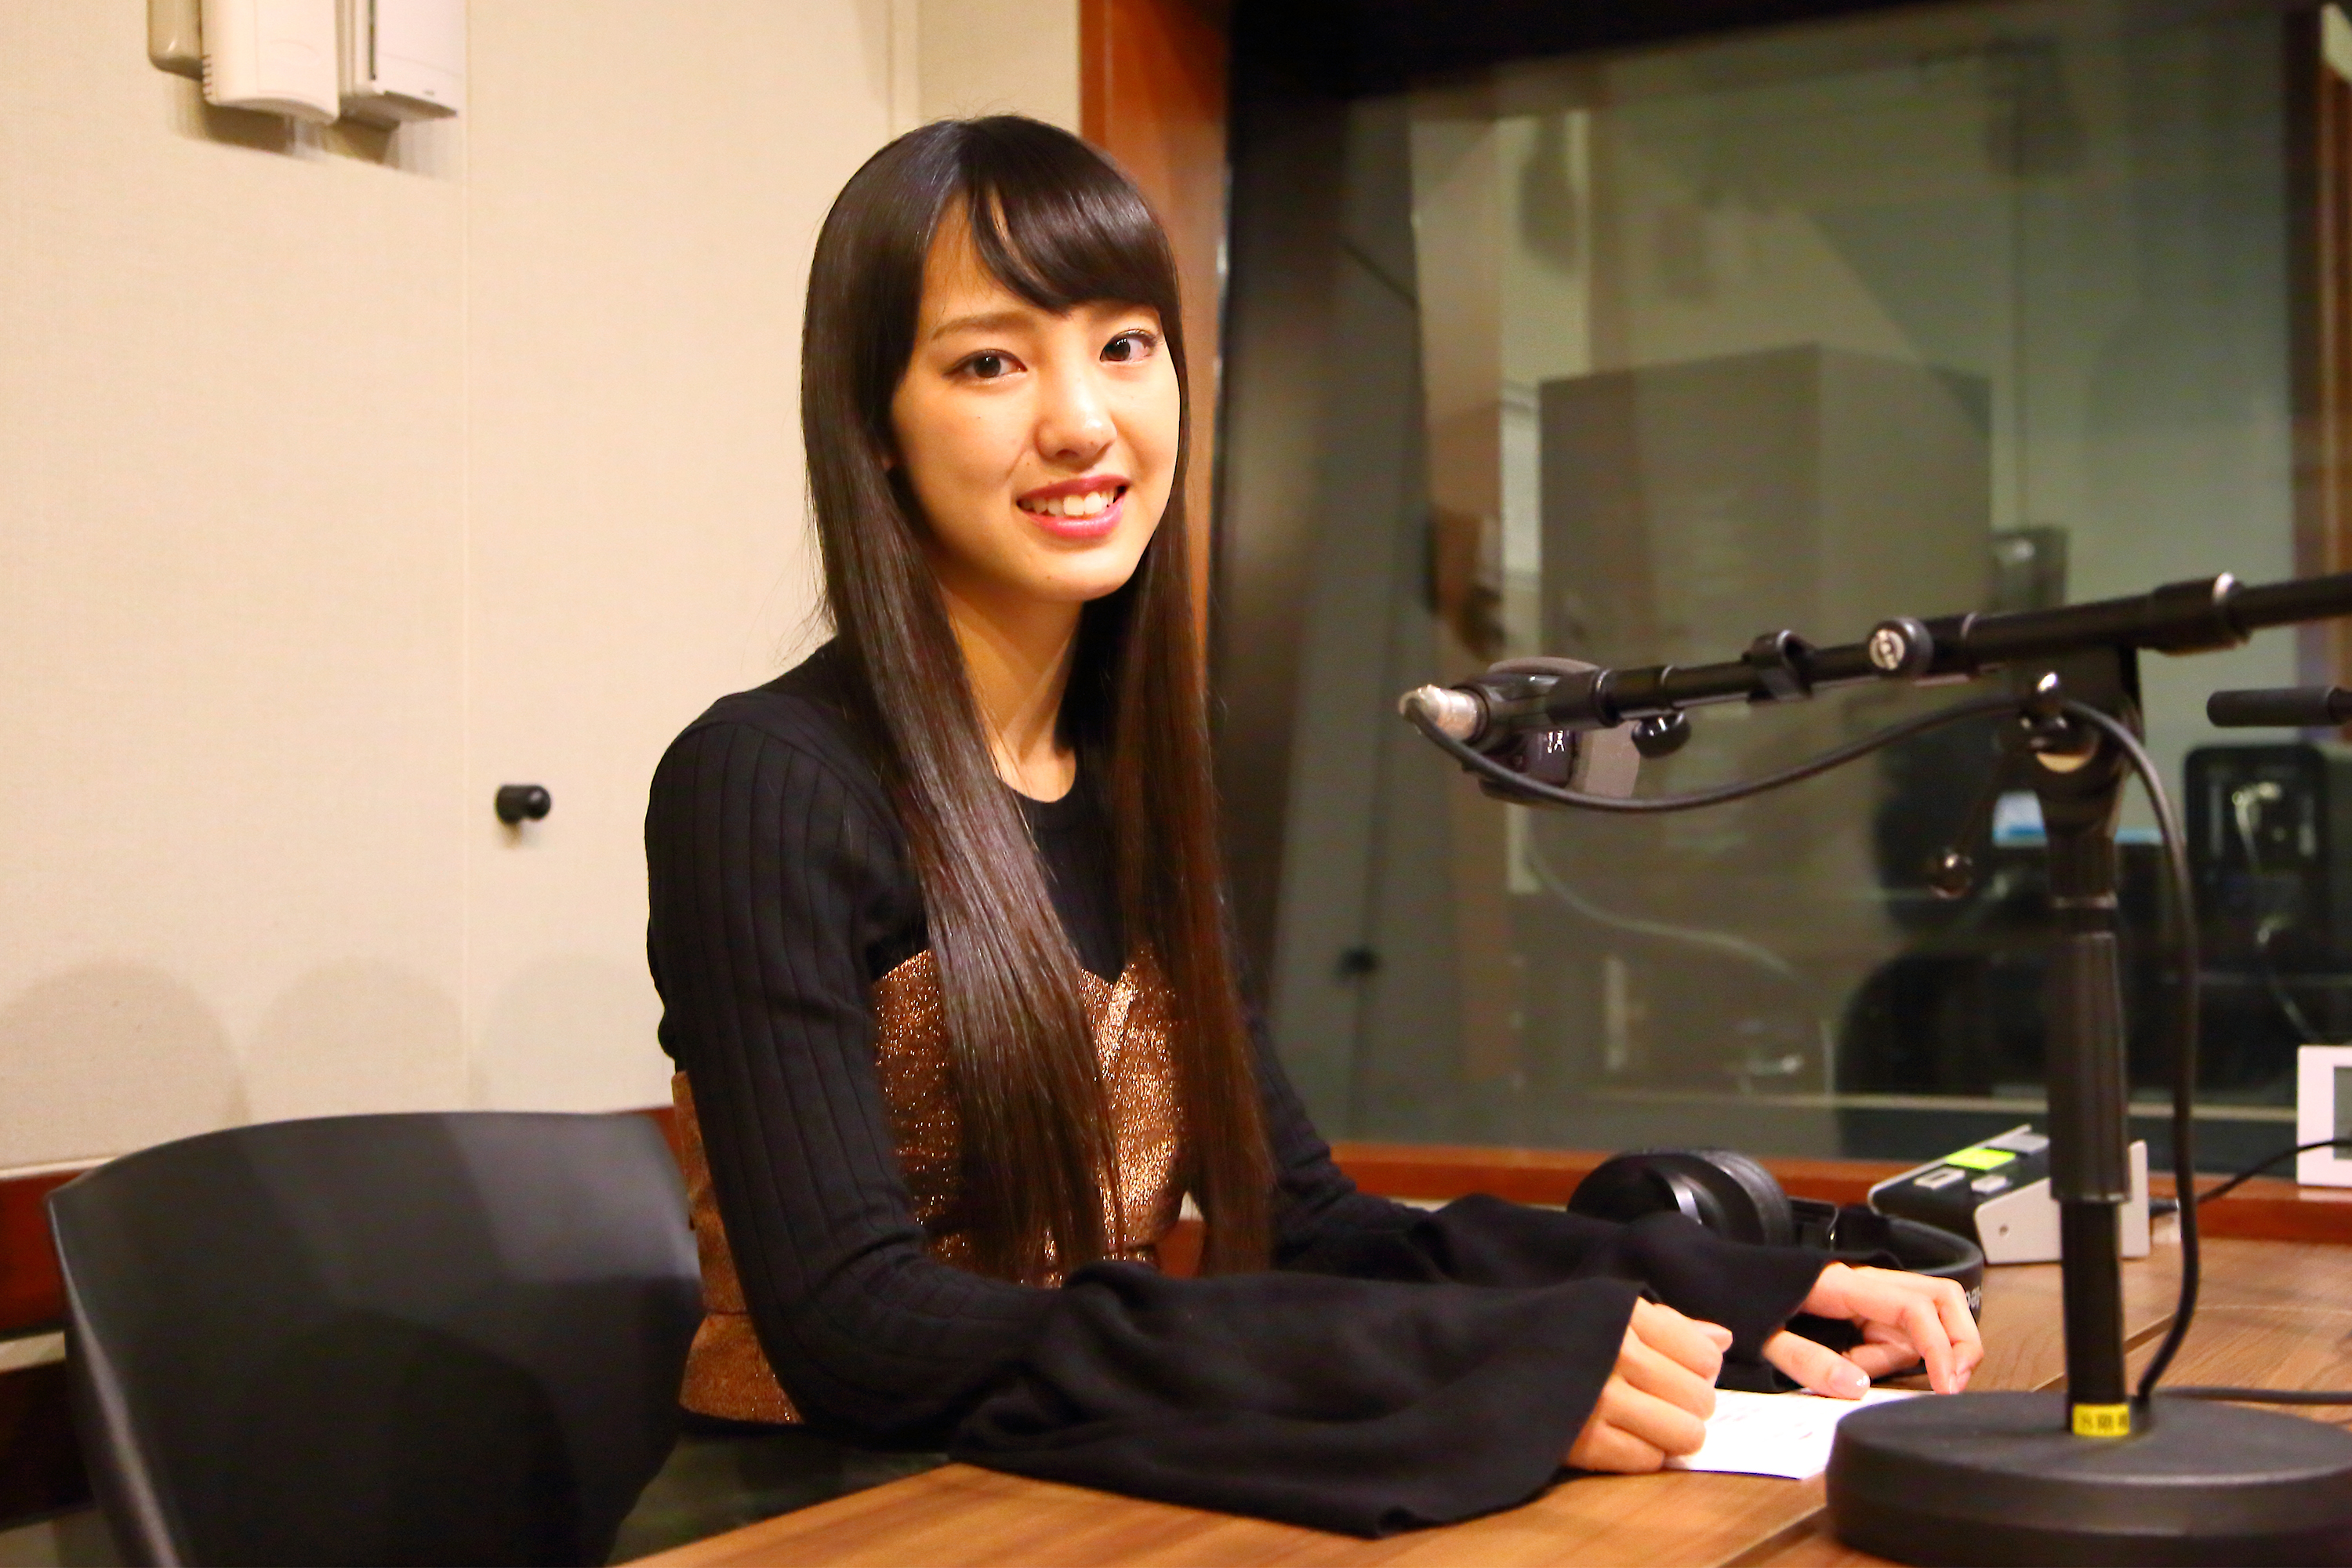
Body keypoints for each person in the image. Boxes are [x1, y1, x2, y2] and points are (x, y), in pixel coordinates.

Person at [643, 114, 1981, 1538]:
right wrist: (1442, 1360)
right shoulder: (766, 778)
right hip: (816, 1509)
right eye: (991, 363)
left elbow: (1310, 1224)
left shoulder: (1137, 787)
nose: (1083, 421)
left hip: (1076, 1474)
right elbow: (858, 1325)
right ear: (875, 424)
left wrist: (1742, 1288)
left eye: (1124, 345)